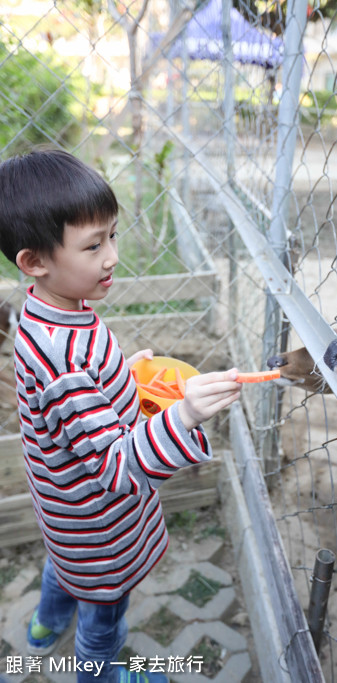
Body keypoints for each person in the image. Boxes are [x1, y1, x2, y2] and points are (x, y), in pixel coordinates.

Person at [0, 149, 242, 683]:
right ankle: (101, 675)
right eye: (93, 245)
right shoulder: (67, 359)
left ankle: (42, 629)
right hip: (98, 527)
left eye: (113, 235)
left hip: (65, 514)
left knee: (63, 570)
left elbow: (73, 407)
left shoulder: (48, 316)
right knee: (102, 622)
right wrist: (183, 416)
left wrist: (118, 379)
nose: (112, 256)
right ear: (35, 262)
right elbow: (113, 465)